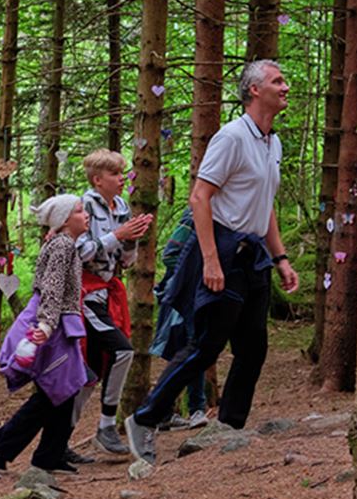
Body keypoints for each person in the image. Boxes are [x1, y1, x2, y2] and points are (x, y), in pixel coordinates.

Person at [124, 59, 300, 466]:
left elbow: (264, 204)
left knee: (253, 347)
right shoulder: (232, 137)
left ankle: (231, 428)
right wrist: (210, 261)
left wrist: (281, 258)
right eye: (278, 81)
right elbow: (199, 198)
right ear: (255, 90)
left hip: (253, 254)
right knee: (206, 345)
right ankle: (144, 419)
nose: (285, 87)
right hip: (221, 249)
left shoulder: (271, 142)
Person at [0, 194, 92, 475]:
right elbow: (52, 288)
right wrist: (45, 326)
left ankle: (49, 455)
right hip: (52, 325)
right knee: (54, 390)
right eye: (80, 211)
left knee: (66, 388)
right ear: (65, 220)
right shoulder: (63, 245)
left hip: (61, 323)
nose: (86, 214)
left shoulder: (65, 244)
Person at [72, 149, 153, 461]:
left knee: (92, 370)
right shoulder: (83, 207)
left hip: (107, 292)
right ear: (97, 180)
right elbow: (81, 252)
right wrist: (117, 234)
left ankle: (60, 440)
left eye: (123, 173)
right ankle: (106, 426)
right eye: (116, 174)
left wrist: (132, 240)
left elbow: (125, 260)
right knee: (121, 351)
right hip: (85, 295)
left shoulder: (120, 205)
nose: (123, 179)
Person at [149, 207, 209, 430]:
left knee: (189, 349)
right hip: (182, 296)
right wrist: (196, 274)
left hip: (197, 294)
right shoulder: (194, 215)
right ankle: (193, 410)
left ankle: (167, 412)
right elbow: (171, 255)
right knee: (190, 350)